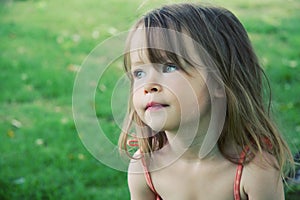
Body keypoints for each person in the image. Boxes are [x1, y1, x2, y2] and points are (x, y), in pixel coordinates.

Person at [118, 3, 295, 200]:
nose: (148, 85)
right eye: (139, 72)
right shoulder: (144, 169)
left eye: (169, 66)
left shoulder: (255, 171)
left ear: (219, 81)